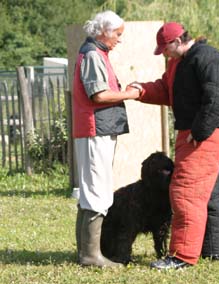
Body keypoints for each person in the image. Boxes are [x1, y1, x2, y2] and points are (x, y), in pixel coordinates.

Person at [130, 22, 219, 269]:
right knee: (208, 195)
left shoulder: (206, 57)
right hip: (194, 134)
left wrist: (201, 130)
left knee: (185, 192)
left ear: (178, 41)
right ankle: (211, 252)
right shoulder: (178, 63)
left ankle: (181, 256)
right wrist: (141, 91)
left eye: (165, 48)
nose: (164, 54)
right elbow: (168, 91)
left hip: (202, 135)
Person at [72, 10, 140, 268]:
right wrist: (130, 94)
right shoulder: (92, 54)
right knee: (97, 192)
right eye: (118, 34)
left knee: (93, 190)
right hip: (94, 129)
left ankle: (86, 253)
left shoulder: (96, 52)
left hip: (95, 129)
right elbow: (98, 95)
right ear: (103, 30)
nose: (120, 39)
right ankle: (90, 256)